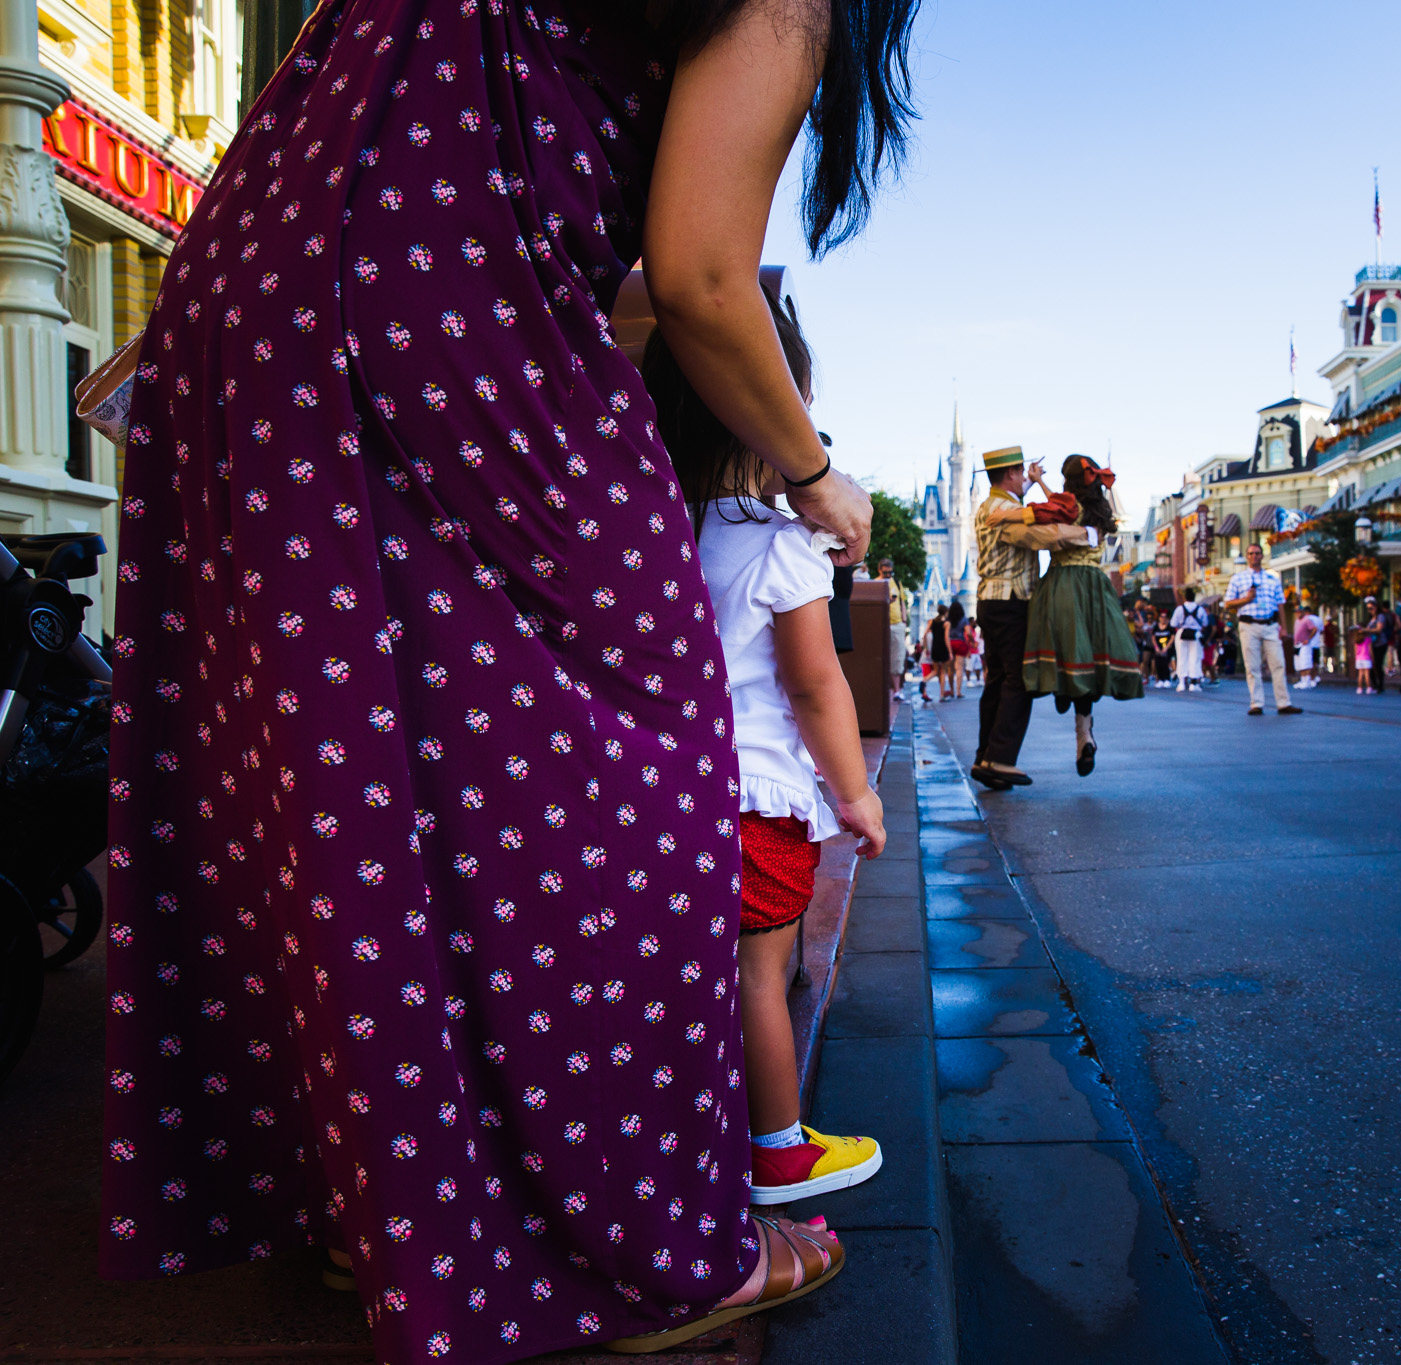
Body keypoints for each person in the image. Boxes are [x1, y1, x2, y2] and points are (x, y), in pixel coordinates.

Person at [101, 2, 917, 1356]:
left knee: (349, 761)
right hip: (434, 291)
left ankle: (383, 1217)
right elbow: (706, 277)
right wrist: (815, 471)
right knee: (648, 771)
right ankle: (652, 1252)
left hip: (251, 281)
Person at [646, 288, 885, 1213]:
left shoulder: (651, 531)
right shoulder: (780, 548)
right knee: (760, 973)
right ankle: (779, 1146)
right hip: (760, 800)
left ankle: (689, 1130)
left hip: (668, 793)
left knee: (681, 970)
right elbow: (817, 686)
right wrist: (856, 794)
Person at [973, 449, 1090, 789]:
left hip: (989, 601)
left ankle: (985, 757)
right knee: (1019, 680)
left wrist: (1037, 482)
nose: (1025, 477)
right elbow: (1040, 535)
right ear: (1011, 474)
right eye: (1021, 472)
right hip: (1011, 602)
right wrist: (1086, 535)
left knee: (997, 681)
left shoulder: (990, 505)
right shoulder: (1007, 510)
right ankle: (1000, 758)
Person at [1022, 455, 1144, 774]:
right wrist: (1040, 483)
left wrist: (1035, 482)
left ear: (1067, 480)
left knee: (1064, 651)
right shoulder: (1100, 511)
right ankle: (1083, 734)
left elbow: (1059, 508)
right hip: (1094, 584)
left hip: (1062, 582)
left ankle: (1063, 690)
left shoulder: (1065, 506)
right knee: (1087, 658)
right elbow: (1066, 505)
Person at [1223, 544, 1302, 715]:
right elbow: (1228, 603)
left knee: (1278, 663)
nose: (1254, 556)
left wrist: (1283, 628)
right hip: (1248, 625)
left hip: (1270, 625)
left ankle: (1283, 702)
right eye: (1250, 553)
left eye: (1257, 553)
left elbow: (1280, 604)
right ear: (1247, 556)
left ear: (1261, 556)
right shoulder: (1238, 578)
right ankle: (1256, 703)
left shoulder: (1272, 579)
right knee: (1252, 666)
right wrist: (1245, 599)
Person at [1170, 587, 1209, 692]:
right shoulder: (1200, 609)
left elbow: (1173, 623)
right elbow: (1205, 623)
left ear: (1185, 598)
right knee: (1195, 657)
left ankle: (1182, 682)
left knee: (1182, 658)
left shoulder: (1179, 609)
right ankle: (1194, 682)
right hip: (1195, 634)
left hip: (1182, 633)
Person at [881, 557, 910, 697]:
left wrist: (904, 620)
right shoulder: (876, 584)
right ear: (880, 570)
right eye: (885, 573)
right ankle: (885, 689)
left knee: (898, 657)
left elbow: (902, 602)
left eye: (890, 573)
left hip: (897, 623)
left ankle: (897, 690)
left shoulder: (897, 583)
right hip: (882, 624)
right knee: (882, 656)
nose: (888, 576)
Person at [1293, 604, 1325, 688]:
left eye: (1299, 612)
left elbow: (1315, 629)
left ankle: (1309, 680)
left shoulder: (1307, 619)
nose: (1297, 613)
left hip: (1307, 644)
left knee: (1307, 663)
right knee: (1300, 664)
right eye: (1296, 612)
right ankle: (1304, 680)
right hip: (1298, 644)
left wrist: (1308, 638)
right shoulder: (1298, 620)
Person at [926, 610, 955, 700]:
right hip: (943, 649)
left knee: (935, 671)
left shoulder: (932, 621)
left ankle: (924, 680)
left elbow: (924, 635)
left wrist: (926, 648)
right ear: (945, 613)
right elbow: (946, 638)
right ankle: (942, 695)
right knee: (943, 672)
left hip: (934, 648)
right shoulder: (946, 623)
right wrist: (950, 652)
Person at [946, 600, 969, 698]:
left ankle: (952, 690)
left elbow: (945, 634)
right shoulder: (964, 620)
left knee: (950, 669)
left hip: (950, 643)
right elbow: (968, 633)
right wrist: (971, 641)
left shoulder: (948, 620)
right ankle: (958, 691)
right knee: (959, 669)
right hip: (960, 643)